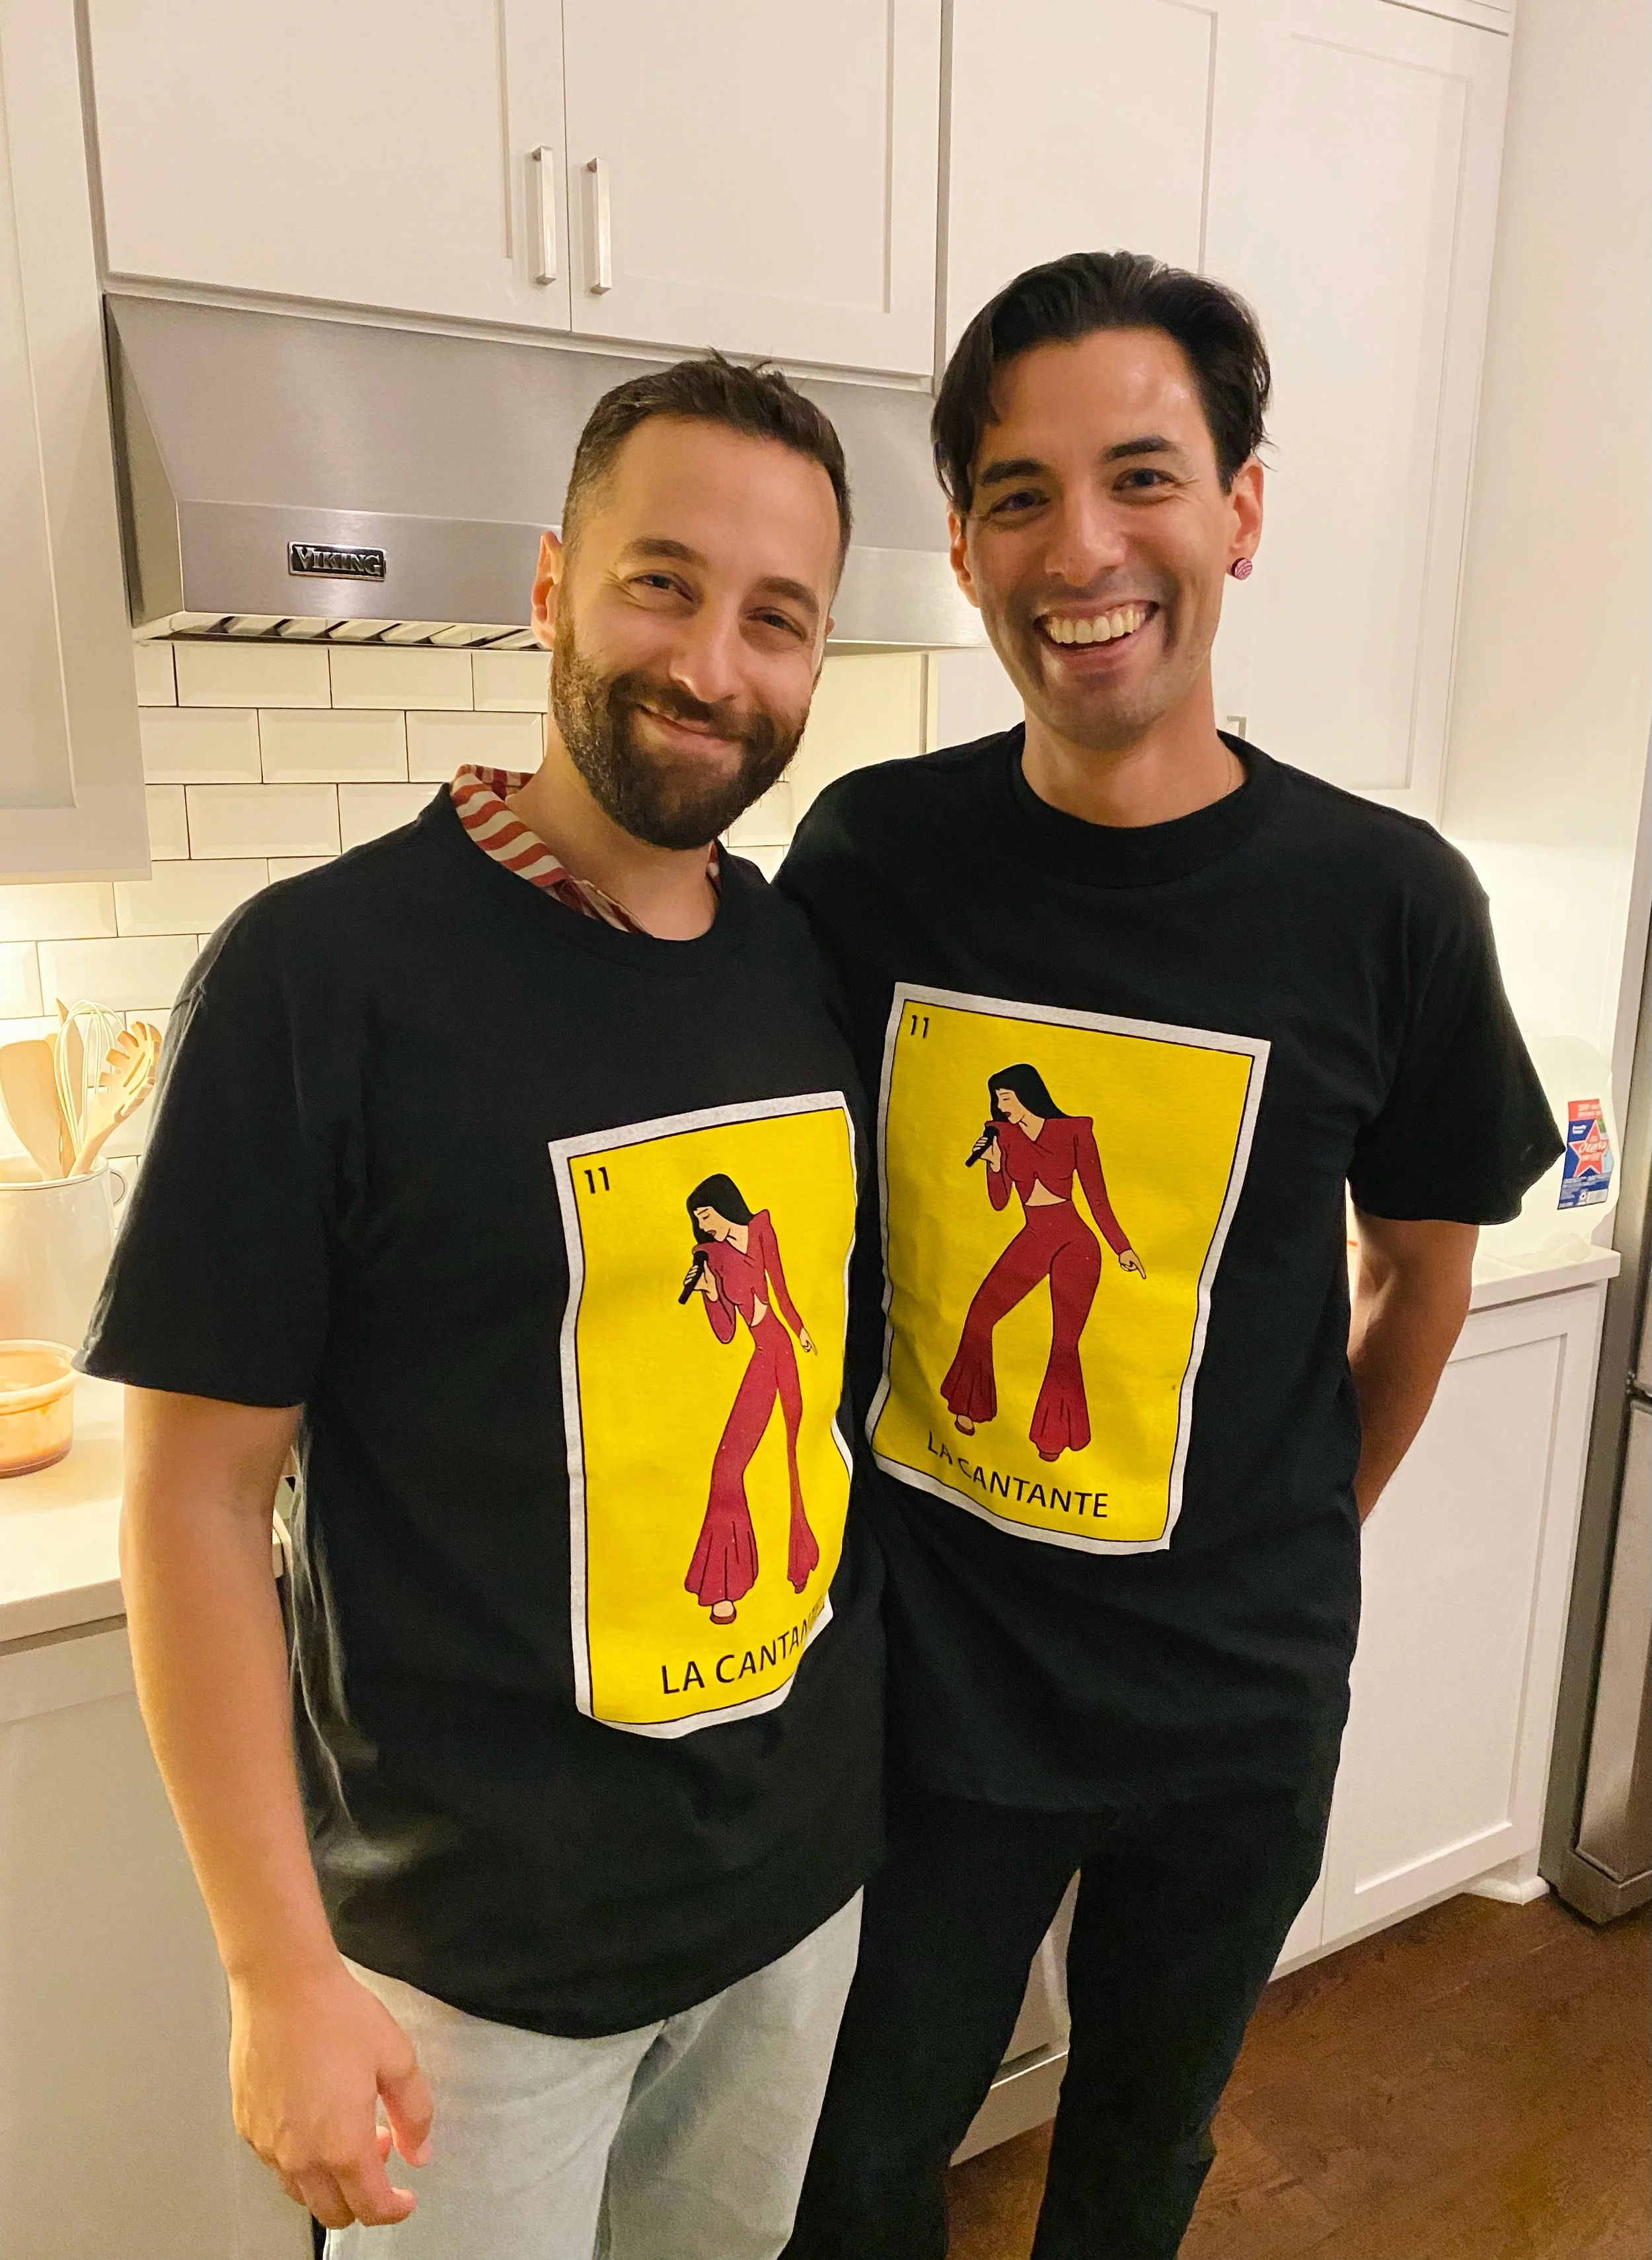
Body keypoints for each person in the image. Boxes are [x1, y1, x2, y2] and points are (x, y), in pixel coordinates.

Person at [776, 250, 1563, 2259]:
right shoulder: (873, 857)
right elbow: (700, 1071)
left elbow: (1417, 1266)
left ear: (1240, 508)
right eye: (1017, 495)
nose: (1083, 548)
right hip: (934, 1692)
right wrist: (531, 855)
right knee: (859, 2164)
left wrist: (1293, 1532)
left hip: (1226, 1714)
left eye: (1140, 474)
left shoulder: (1380, 899)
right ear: (957, 545)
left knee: (1135, 2158)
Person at [83, 354, 882, 2260]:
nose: (709, 662)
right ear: (549, 588)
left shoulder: (800, 965)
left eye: (775, 617)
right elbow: (193, 1502)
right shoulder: (322, 976)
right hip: (472, 1976)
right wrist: (278, 1970)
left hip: (787, 1907)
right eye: (660, 581)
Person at [942, 1062, 1145, 1458]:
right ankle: (969, 1407)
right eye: (997, 1101)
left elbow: (1096, 1195)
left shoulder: (1074, 1131)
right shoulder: (1000, 1135)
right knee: (980, 1315)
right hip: (1034, 1237)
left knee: (1064, 1343)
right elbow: (1001, 1203)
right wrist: (994, 1165)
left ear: (1025, 1094)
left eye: (1006, 1099)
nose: (1001, 1108)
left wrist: (1122, 1247)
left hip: (1076, 1242)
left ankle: (1054, 1436)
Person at [682, 1172, 820, 1622]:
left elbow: (779, 1288)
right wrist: (708, 1293)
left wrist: (800, 1330)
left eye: (706, 1215)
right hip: (762, 1354)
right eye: (699, 1223)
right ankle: (726, 1586)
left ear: (723, 1205)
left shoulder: (761, 1229)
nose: (705, 1227)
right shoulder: (713, 1256)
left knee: (794, 1456)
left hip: (783, 1348)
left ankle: (800, 1565)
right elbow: (725, 1333)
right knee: (727, 1467)